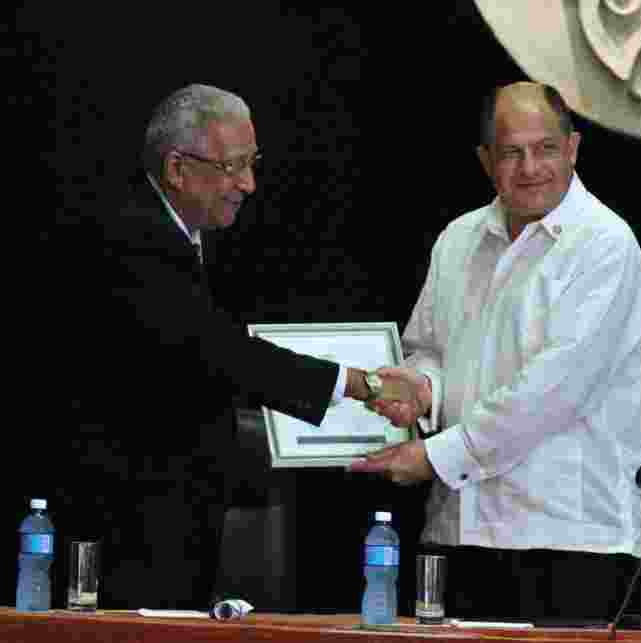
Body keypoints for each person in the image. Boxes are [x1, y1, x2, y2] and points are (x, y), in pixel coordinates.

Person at [58, 84, 408, 610]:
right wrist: (361, 383)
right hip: (132, 515)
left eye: (252, 163)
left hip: (166, 508)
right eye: (233, 166)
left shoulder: (174, 232)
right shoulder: (135, 236)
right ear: (177, 168)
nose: (247, 183)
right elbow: (221, 354)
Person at [349, 82, 641, 622]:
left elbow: (552, 392)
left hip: (567, 539)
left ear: (574, 149)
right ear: (486, 159)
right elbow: (428, 352)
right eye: (512, 152)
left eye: (546, 149)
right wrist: (420, 389)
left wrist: (434, 457)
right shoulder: (458, 239)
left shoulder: (606, 246)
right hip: (458, 529)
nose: (530, 167)